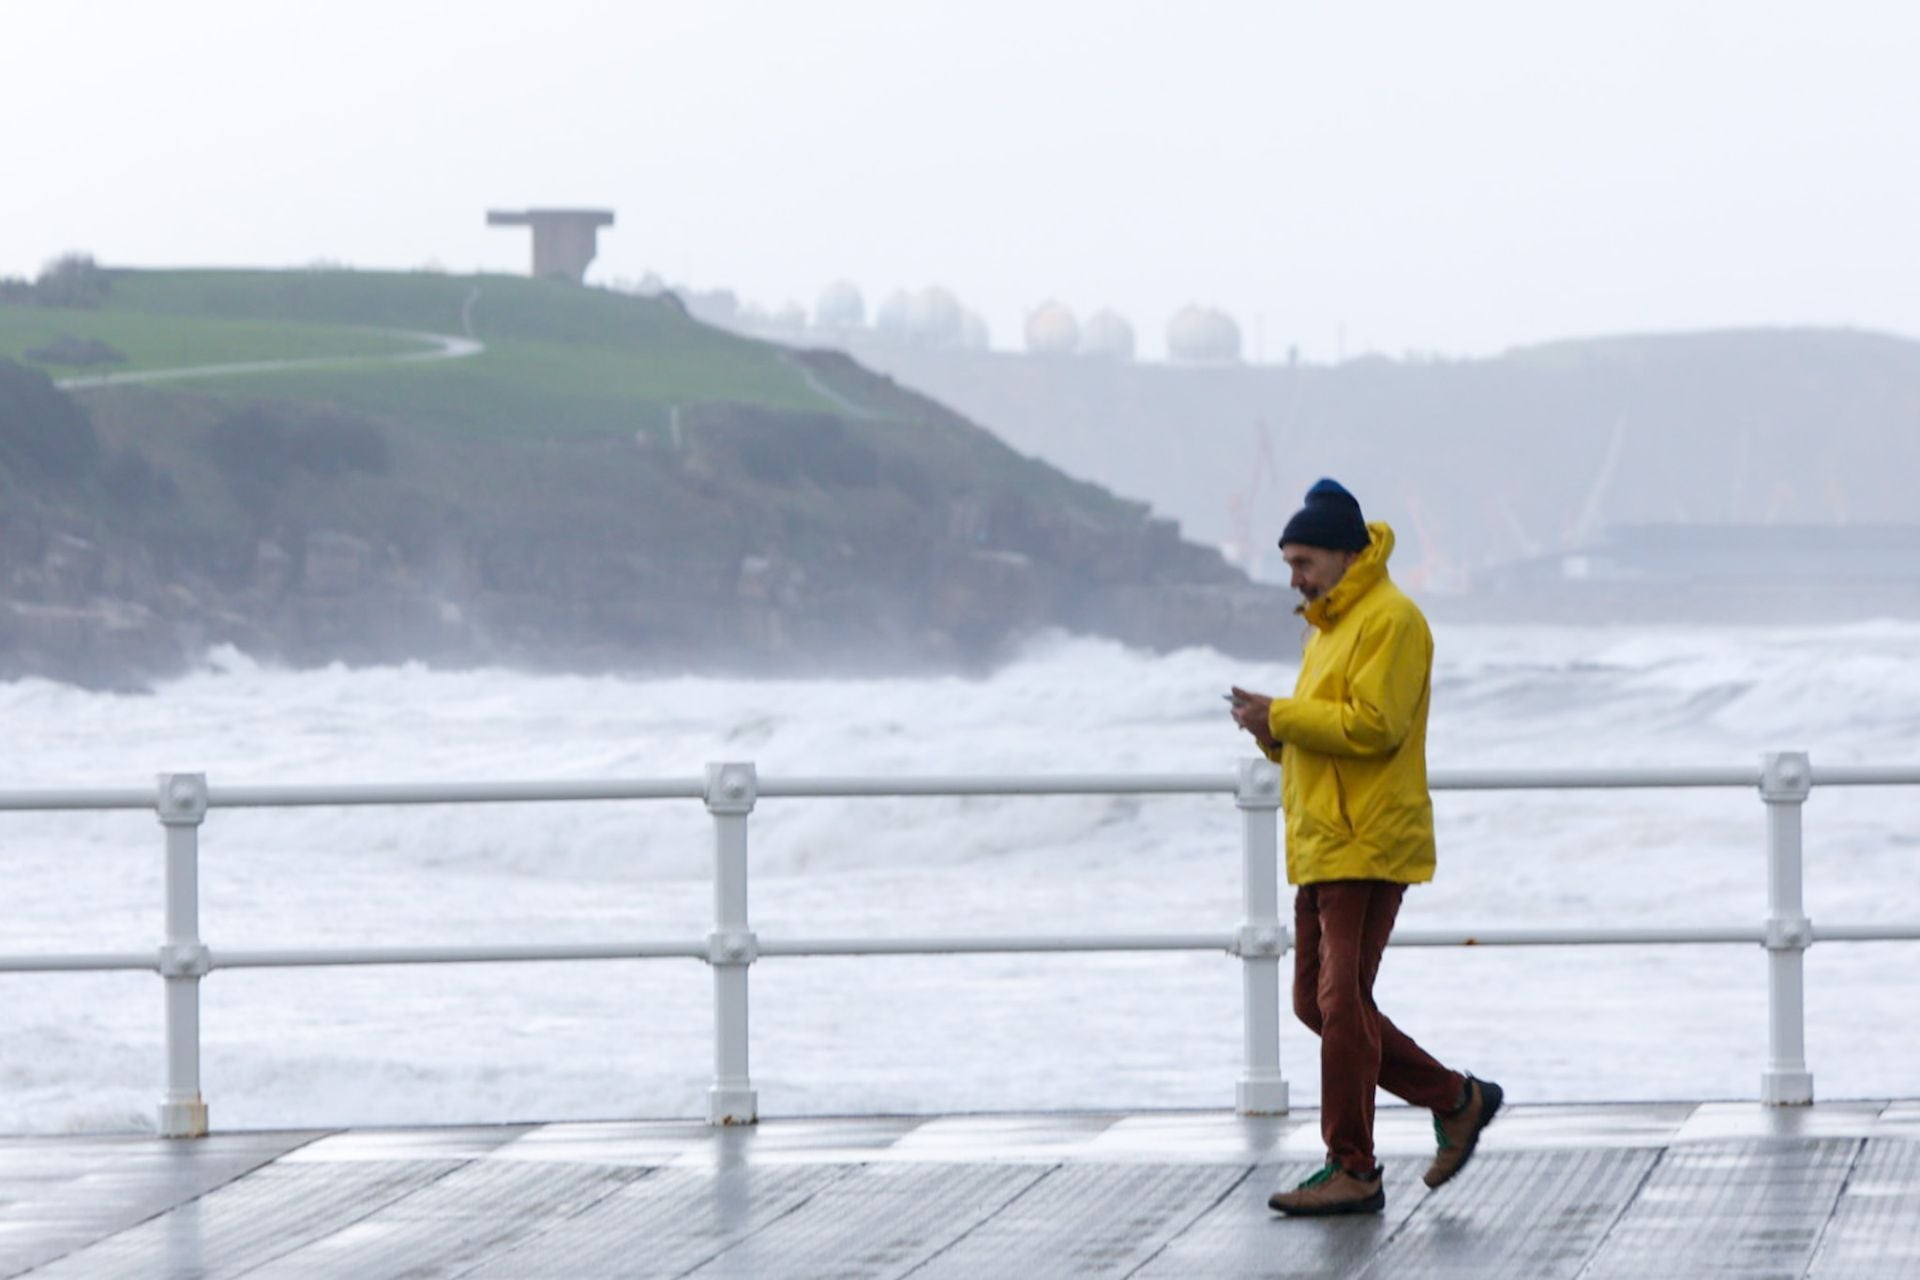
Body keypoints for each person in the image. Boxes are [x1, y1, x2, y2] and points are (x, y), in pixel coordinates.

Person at [1228, 477, 1501, 1217]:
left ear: (1349, 554)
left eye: (1304, 560)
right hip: (1321, 840)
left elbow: (1376, 726)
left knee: (1341, 1005)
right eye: (1288, 561)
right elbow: (1324, 737)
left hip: (1368, 838)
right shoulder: (1326, 627)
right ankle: (1456, 1097)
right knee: (1319, 1007)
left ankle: (1353, 1167)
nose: (1294, 576)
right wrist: (1274, 734)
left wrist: (1283, 716)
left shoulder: (1393, 620)